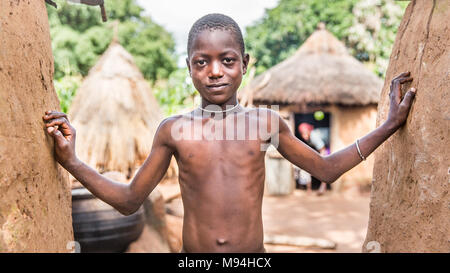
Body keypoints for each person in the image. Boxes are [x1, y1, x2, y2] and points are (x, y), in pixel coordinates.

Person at [42, 14, 416, 253]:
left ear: (244, 64)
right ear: (189, 68)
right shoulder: (174, 131)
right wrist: (71, 161)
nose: (215, 71)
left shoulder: (264, 125)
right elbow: (128, 200)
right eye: (202, 62)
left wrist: (388, 125)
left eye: (227, 60)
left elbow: (326, 169)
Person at [298, 122, 330, 195]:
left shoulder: (313, 136)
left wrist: (319, 161)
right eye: (302, 134)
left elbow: (323, 150)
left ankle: (323, 187)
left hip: (328, 146)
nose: (304, 136)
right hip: (326, 146)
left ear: (309, 131)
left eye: (306, 133)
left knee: (324, 165)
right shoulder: (310, 138)